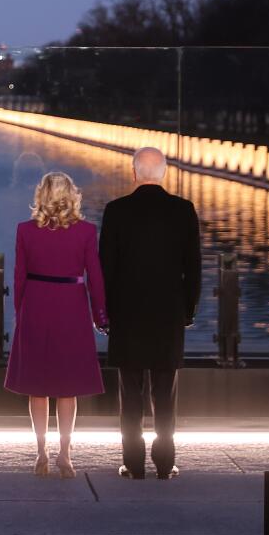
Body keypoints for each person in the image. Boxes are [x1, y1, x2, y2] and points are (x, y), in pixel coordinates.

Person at [99, 147, 202, 480]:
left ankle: (133, 463)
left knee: (130, 395)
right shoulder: (184, 210)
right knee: (165, 394)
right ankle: (165, 463)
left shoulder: (116, 211)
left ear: (133, 173)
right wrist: (187, 310)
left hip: (127, 316)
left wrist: (104, 313)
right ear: (165, 173)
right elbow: (194, 269)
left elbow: (106, 269)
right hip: (167, 316)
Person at [3, 171, 109, 479]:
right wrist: (100, 315)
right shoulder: (87, 231)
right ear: (71, 195)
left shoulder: (25, 230)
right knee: (68, 387)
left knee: (38, 387)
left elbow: (19, 276)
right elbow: (95, 278)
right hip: (71, 307)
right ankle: (66, 453)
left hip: (36, 304)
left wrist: (20, 312)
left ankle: (40, 452)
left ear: (42, 195)